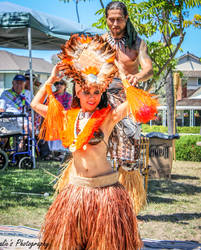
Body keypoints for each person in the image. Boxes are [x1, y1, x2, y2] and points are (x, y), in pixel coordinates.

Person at [30, 34, 146, 250]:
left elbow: (133, 104)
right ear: (78, 93)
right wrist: (50, 80)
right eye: (86, 92)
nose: (91, 96)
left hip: (105, 192)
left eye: (96, 92)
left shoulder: (107, 118)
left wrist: (122, 75)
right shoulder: (67, 117)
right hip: (76, 190)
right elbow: (35, 104)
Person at [103, 1, 154, 214]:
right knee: (102, 152)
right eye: (111, 19)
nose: (115, 23)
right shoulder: (100, 43)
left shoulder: (137, 43)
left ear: (126, 19)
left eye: (119, 19)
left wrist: (137, 76)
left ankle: (128, 208)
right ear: (106, 18)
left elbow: (149, 68)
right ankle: (103, 203)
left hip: (127, 101)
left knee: (129, 155)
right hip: (103, 101)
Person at [0, 74, 31, 150]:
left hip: (23, 119)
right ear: (13, 83)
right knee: (3, 134)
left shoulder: (28, 94)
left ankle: (19, 150)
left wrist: (31, 117)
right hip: (9, 119)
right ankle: (2, 150)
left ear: (24, 84)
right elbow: (0, 110)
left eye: (21, 83)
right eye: (17, 83)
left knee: (30, 128)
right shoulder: (6, 94)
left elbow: (33, 107)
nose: (19, 85)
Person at [47, 80, 72, 161]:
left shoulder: (68, 96)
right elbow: (47, 105)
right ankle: (53, 152)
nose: (59, 85)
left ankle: (63, 153)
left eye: (61, 83)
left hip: (64, 118)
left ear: (65, 86)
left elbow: (67, 107)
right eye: (57, 83)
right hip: (53, 118)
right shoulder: (52, 95)